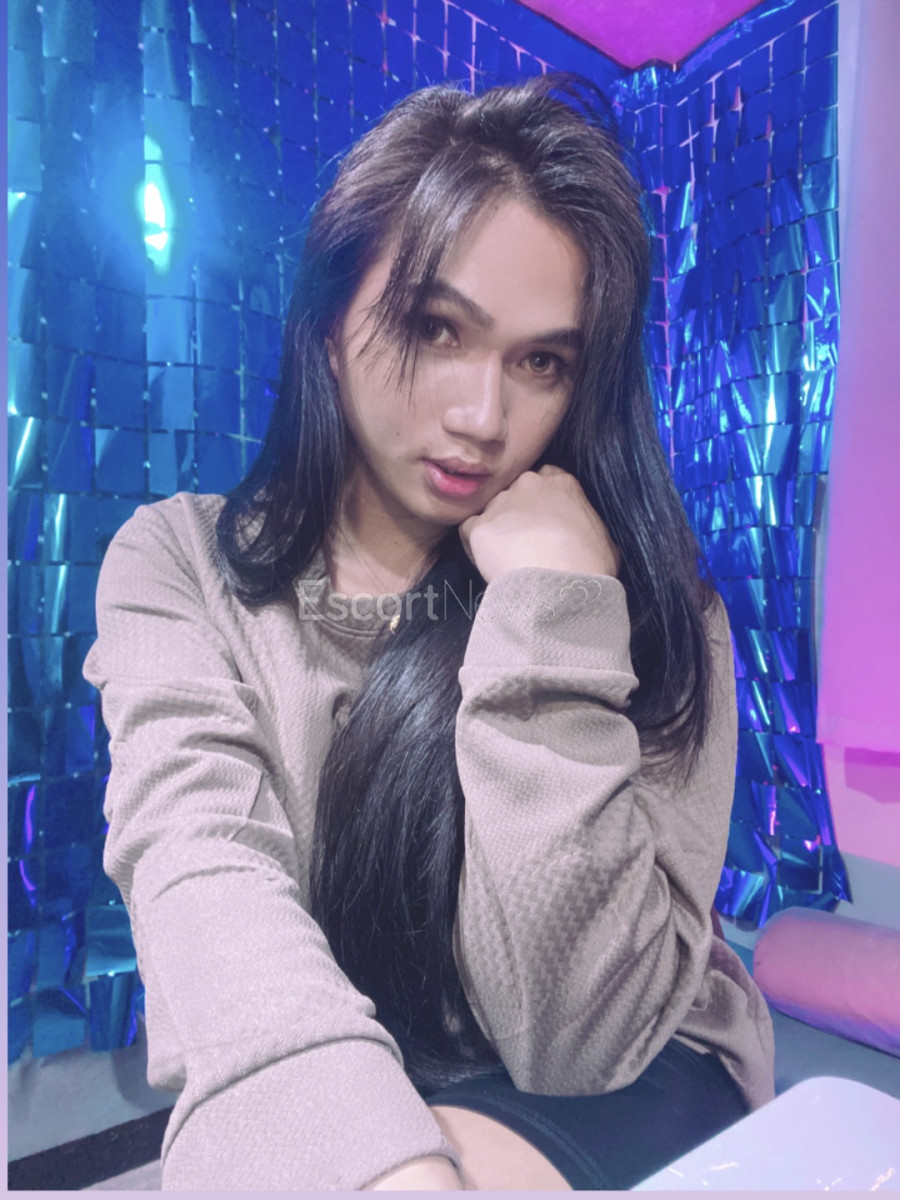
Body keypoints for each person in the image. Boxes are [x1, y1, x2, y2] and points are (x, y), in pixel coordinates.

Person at [84, 74, 775, 1191]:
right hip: (364, 1058)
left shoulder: (646, 603)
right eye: (435, 327)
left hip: (627, 1063)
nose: (482, 418)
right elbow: (202, 875)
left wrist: (550, 615)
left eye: (542, 362)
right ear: (327, 325)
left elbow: (577, 1034)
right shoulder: (181, 565)